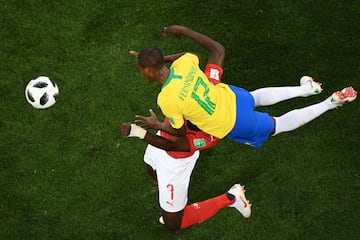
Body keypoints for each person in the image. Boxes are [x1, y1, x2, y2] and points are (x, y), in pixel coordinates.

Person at [132, 25, 357, 149]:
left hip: (230, 122)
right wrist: (184, 32)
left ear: (149, 71)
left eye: (142, 69)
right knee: (256, 97)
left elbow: (180, 131)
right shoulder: (184, 64)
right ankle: (305, 90)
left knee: (278, 125)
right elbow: (204, 52)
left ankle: (330, 102)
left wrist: (156, 124)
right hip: (230, 96)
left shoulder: (166, 99)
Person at [122, 27, 251, 230]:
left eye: (142, 70)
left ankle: (231, 197)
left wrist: (144, 130)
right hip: (166, 142)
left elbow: (173, 140)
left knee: (174, 223)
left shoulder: (169, 102)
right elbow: (191, 56)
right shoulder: (180, 78)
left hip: (176, 161)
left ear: (148, 70)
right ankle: (166, 195)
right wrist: (158, 61)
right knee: (149, 163)